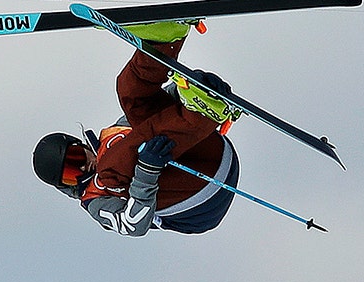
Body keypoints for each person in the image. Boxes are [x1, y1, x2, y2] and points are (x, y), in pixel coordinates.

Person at [30, 23, 241, 237]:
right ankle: (204, 114)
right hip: (199, 204)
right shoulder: (95, 200)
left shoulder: (116, 132)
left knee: (131, 94)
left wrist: (195, 85)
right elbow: (132, 225)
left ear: (82, 146)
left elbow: (158, 110)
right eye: (71, 174)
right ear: (66, 186)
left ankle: (164, 40)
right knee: (110, 168)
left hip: (210, 153)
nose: (83, 168)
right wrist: (146, 171)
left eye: (75, 158)